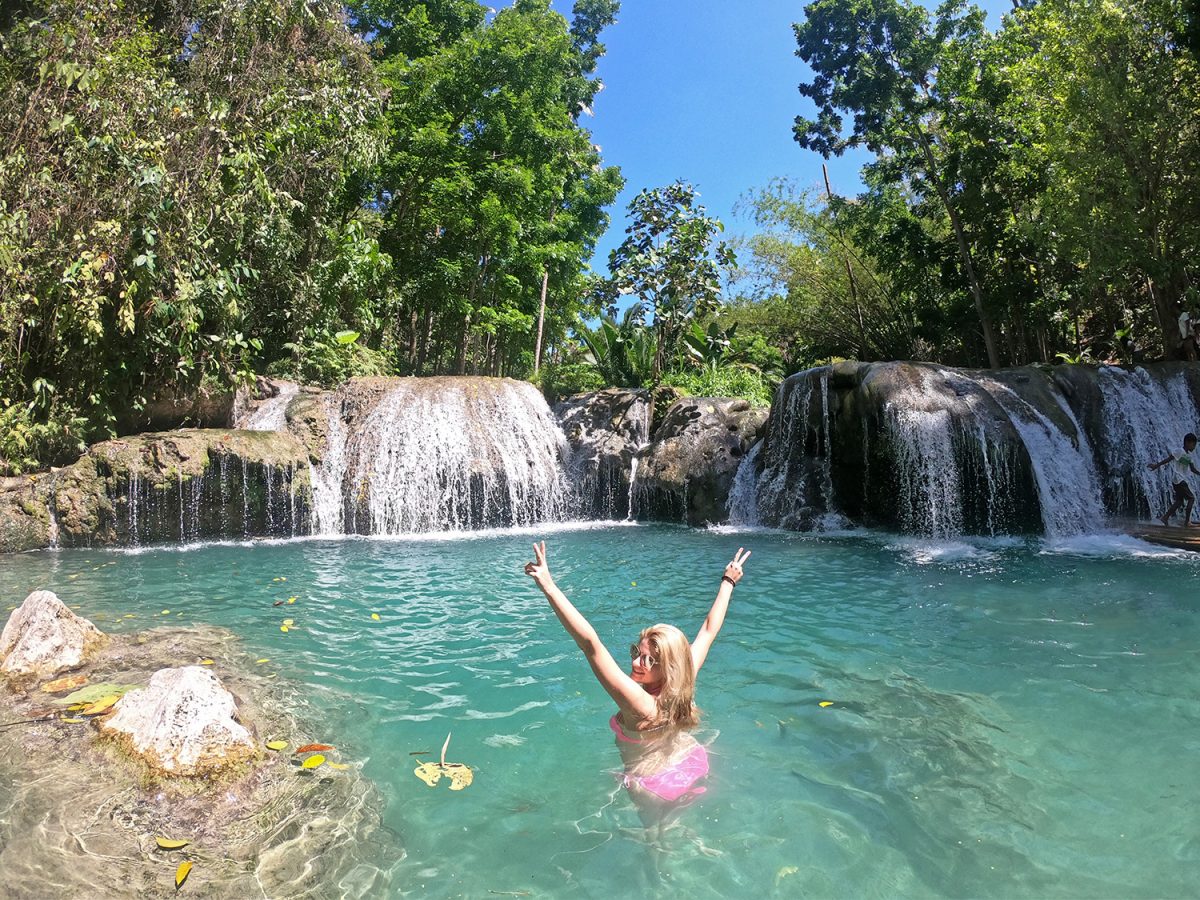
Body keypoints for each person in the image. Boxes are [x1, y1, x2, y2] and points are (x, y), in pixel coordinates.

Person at [523, 540, 750, 826]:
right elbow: (708, 630)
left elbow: (590, 644)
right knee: (675, 830)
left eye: (648, 660)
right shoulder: (684, 675)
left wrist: (549, 587)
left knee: (654, 843)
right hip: (689, 760)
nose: (636, 663)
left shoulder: (639, 703)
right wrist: (729, 580)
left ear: (668, 666)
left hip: (652, 784)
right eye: (637, 653)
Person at [1148, 433, 1200, 525]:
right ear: (1187, 442)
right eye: (1193, 444)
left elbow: (1193, 469)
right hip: (1179, 479)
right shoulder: (1179, 451)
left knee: (1179, 501)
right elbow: (1168, 459)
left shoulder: (1189, 456)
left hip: (1179, 480)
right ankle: (1187, 522)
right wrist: (1156, 465)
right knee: (1191, 498)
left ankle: (1165, 518)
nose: (1194, 447)